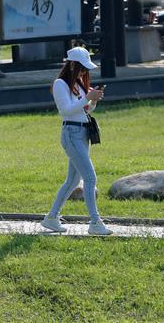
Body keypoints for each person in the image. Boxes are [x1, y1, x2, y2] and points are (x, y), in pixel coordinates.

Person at [41, 46, 112, 236]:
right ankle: (95, 222)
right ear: (72, 65)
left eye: (85, 69)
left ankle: (51, 218)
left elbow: (84, 111)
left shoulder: (79, 83)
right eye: (81, 68)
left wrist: (93, 100)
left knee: (73, 181)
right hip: (71, 133)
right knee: (89, 178)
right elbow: (65, 111)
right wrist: (87, 98)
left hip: (82, 134)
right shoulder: (60, 84)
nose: (84, 72)